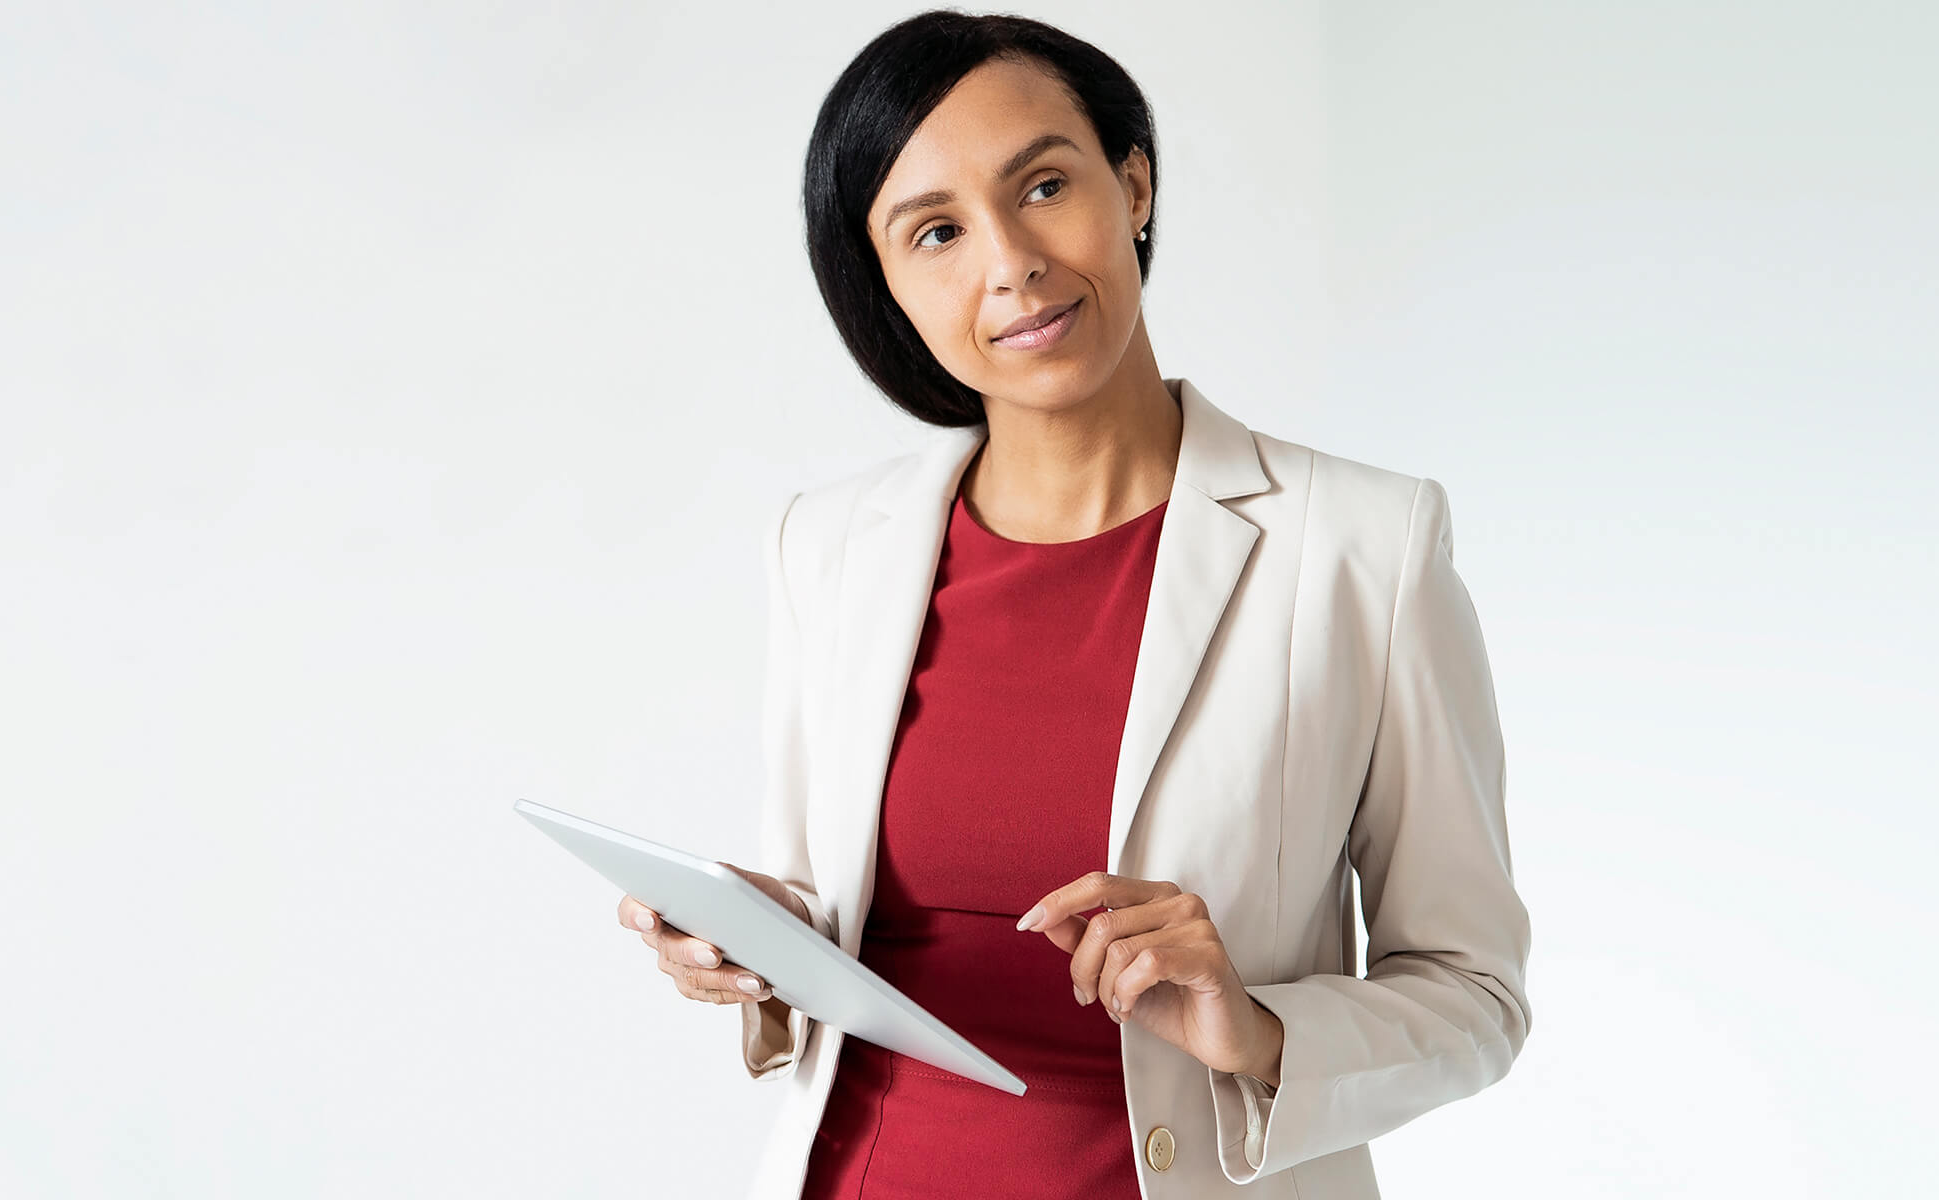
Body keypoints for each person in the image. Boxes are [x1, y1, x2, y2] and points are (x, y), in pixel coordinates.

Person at [614, 11, 1528, 1199]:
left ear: (1134, 184)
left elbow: (1476, 997)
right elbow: (831, 914)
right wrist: (752, 940)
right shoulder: (830, 545)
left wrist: (1252, 1027)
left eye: (1043, 184)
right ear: (886, 283)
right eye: (935, 232)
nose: (1010, 262)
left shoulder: (1362, 546)